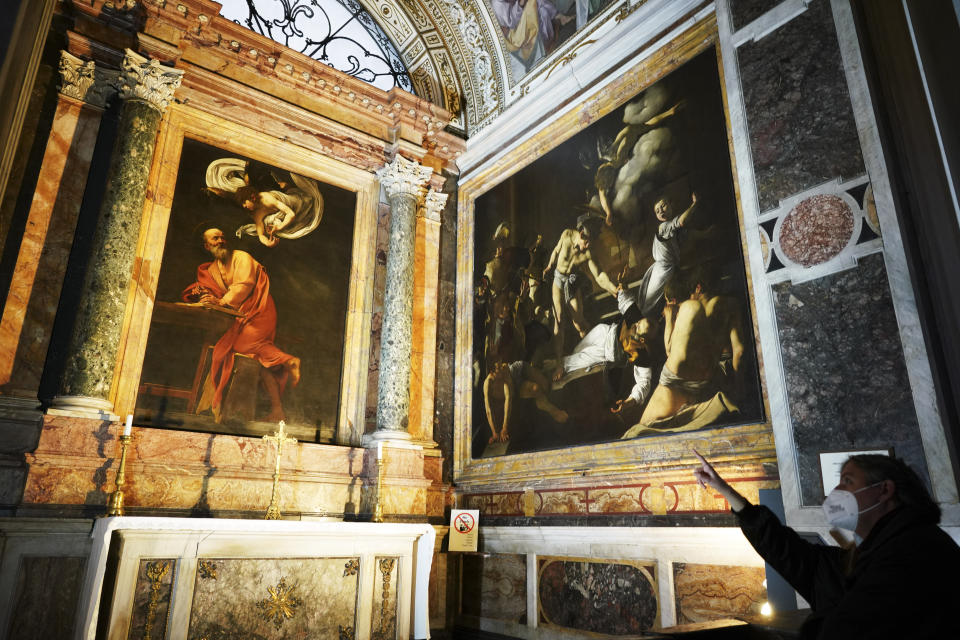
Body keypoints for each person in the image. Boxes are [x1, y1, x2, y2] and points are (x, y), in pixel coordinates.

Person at [692, 451, 960, 639]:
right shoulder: (862, 557)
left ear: (884, 490)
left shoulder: (916, 553)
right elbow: (785, 550)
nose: (836, 491)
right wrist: (725, 490)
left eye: (848, 481)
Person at [183, 228, 301, 422]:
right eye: (215, 238)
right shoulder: (211, 269)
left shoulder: (241, 258)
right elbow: (208, 289)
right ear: (207, 246)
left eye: (222, 236)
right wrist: (207, 297)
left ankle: (288, 359)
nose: (221, 240)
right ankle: (278, 408)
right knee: (255, 356)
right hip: (240, 316)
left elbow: (243, 287)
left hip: (260, 310)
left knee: (238, 347)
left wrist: (219, 302)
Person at [622, 268, 742, 438]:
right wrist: (737, 388)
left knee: (637, 434)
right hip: (701, 384)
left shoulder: (689, 308)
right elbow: (739, 351)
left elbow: (670, 351)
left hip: (673, 381)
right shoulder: (730, 306)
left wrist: (670, 318)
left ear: (698, 288)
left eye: (672, 301)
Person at [553, 283, 655, 415]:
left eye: (639, 327)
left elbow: (644, 383)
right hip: (602, 332)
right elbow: (626, 301)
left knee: (570, 365)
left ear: (642, 341)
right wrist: (622, 287)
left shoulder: (642, 355)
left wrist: (630, 401)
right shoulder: (637, 319)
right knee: (575, 353)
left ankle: (553, 380)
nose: (636, 323)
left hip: (604, 352)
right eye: (639, 321)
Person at [542, 215, 619, 350]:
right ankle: (560, 360)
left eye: (591, 242)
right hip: (558, 280)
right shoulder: (567, 235)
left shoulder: (589, 253)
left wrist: (614, 289)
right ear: (581, 234)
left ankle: (593, 349)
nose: (589, 246)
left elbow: (599, 275)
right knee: (558, 321)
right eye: (587, 242)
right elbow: (556, 250)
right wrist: (549, 265)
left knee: (579, 323)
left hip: (572, 283)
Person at [483, 360, 568, 444]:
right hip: (517, 384)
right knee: (536, 389)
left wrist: (504, 427)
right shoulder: (488, 383)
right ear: (491, 372)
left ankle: (539, 369)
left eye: (501, 366)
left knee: (546, 385)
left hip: (519, 370)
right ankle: (555, 412)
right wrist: (495, 432)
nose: (503, 368)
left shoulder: (504, 373)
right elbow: (489, 410)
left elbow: (508, 402)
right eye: (499, 368)